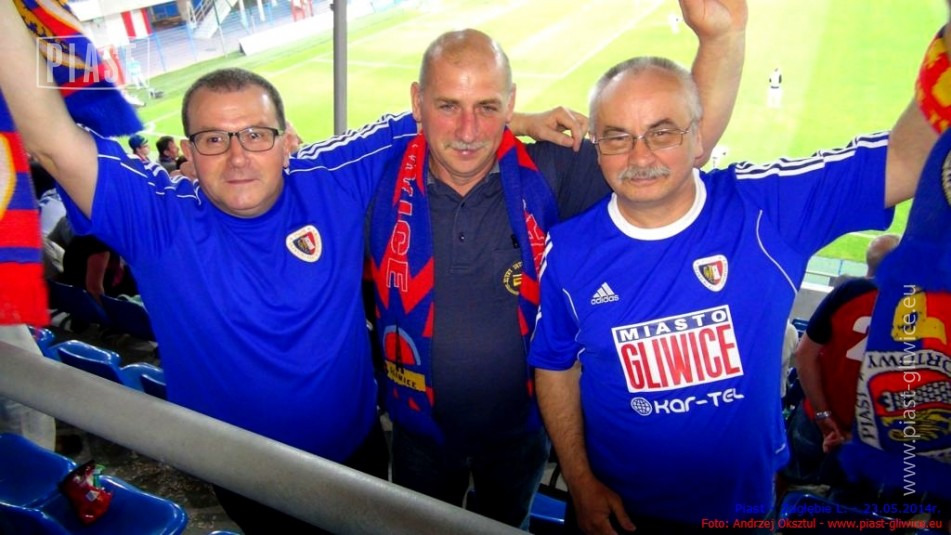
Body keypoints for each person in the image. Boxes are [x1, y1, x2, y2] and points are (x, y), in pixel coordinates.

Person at [0, 4, 587, 529]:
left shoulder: (330, 177)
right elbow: (49, 137)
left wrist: (520, 119)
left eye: (256, 134)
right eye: (214, 138)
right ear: (189, 150)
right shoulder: (154, 216)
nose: (237, 157)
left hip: (358, 457)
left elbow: (443, 118)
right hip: (243, 473)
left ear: (287, 141)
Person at [368, 1, 745, 528]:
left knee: (507, 525)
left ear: (510, 102)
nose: (469, 130)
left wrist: (719, 40)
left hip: (521, 434)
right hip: (416, 435)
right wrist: (519, 121)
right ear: (418, 101)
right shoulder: (377, 178)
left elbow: (677, 150)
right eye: (449, 105)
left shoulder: (549, 169)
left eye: (489, 106)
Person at [528, 46, 935, 533]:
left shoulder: (768, 208)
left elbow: (908, 160)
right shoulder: (569, 251)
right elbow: (554, 363)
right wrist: (579, 480)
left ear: (699, 136)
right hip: (613, 512)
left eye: (662, 132)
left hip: (739, 510)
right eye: (618, 136)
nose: (640, 156)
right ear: (597, 146)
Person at [782, 234, 899, 487]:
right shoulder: (918, 307)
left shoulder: (849, 292)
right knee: (848, 495)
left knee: (793, 482)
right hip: (872, 437)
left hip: (817, 419)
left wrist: (823, 415)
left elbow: (804, 354)